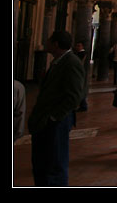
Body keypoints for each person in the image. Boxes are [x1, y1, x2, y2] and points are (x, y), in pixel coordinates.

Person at [28, 30, 85, 186]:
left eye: (49, 40)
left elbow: (74, 97)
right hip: (48, 121)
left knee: (54, 164)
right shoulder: (59, 61)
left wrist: (53, 117)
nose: (45, 42)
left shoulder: (71, 62)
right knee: (43, 162)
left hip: (56, 122)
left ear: (56, 44)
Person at [73, 40, 89, 111]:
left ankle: (83, 105)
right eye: (76, 45)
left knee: (80, 88)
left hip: (81, 73)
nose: (77, 47)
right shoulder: (81, 53)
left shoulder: (82, 54)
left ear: (82, 46)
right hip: (83, 73)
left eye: (78, 46)